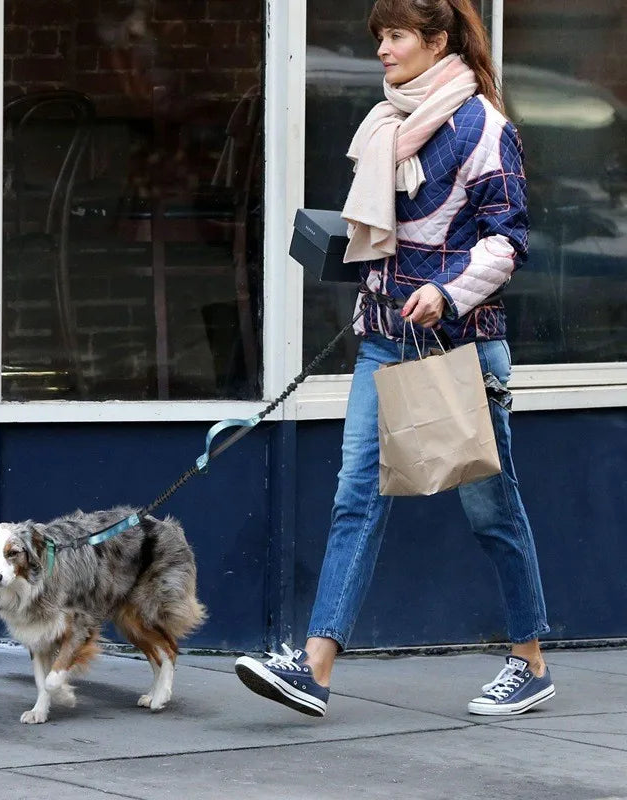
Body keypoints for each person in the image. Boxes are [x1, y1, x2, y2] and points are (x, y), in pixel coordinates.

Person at [235, 0, 554, 718]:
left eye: (397, 35)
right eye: (379, 36)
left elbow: (507, 240)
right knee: (355, 498)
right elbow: (392, 237)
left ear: (436, 43)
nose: (382, 48)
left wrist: (445, 292)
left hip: (462, 349)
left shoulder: (484, 129)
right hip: (384, 340)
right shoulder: (387, 123)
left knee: (491, 509)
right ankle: (315, 667)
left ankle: (530, 660)